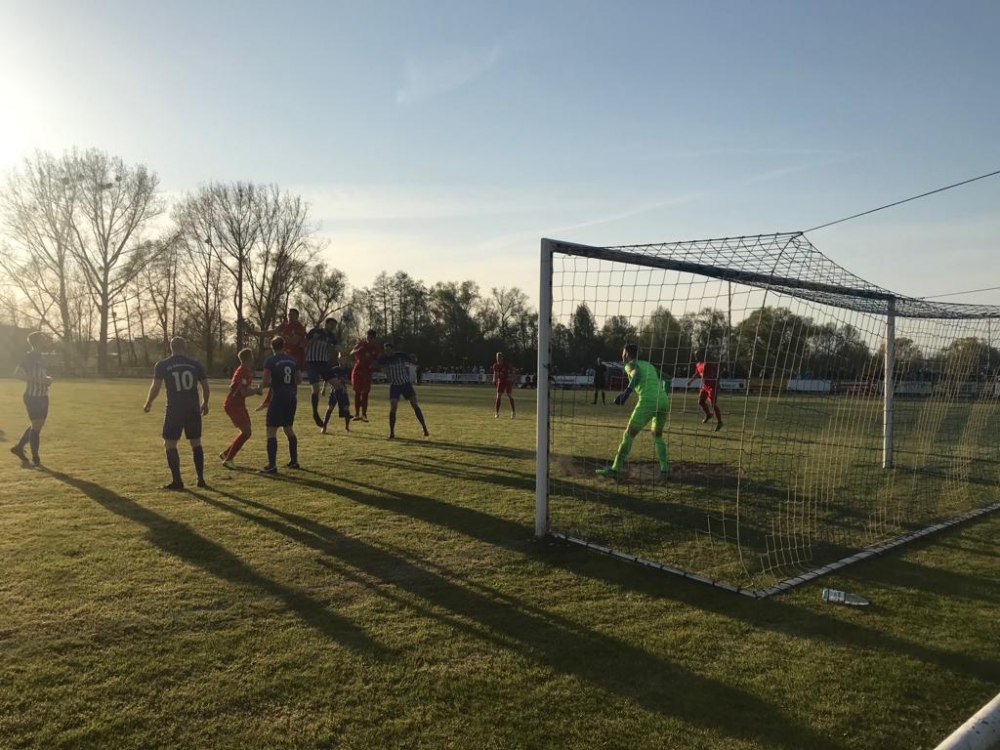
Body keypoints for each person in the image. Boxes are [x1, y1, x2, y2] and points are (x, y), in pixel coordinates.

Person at [143, 337, 210, 490]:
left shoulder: (163, 365)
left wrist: (149, 402)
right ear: (184, 347)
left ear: (171, 347)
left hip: (174, 409)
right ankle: (201, 479)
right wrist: (205, 402)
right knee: (196, 442)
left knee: (170, 443)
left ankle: (177, 481)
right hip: (193, 408)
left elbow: (156, 387)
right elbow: (205, 386)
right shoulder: (195, 364)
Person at [597, 343, 671, 481]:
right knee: (657, 435)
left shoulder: (630, 365)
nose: (622, 355)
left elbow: (636, 375)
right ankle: (665, 469)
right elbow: (667, 378)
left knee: (629, 434)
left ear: (626, 354)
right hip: (663, 401)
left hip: (648, 401)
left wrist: (626, 393)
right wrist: (662, 396)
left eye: (623, 353)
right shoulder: (648, 365)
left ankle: (615, 469)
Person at [260, 336, 301, 474]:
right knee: (288, 428)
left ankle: (272, 465)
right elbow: (299, 380)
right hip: (291, 397)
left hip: (278, 397)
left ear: (272, 347)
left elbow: (266, 382)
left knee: (271, 430)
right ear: (284, 346)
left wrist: (273, 382)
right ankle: (294, 461)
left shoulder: (270, 361)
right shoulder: (293, 360)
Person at [10, 331, 51, 468]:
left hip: (43, 396)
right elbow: (18, 374)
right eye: (44, 339)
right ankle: (35, 458)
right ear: (38, 342)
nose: (47, 341)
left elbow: (40, 375)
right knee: (36, 425)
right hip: (32, 396)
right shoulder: (30, 356)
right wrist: (38, 380)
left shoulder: (42, 357)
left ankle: (18, 448)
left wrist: (47, 379)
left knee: (37, 425)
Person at [219, 348, 262, 469]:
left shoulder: (244, 370)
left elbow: (243, 389)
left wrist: (256, 390)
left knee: (247, 431)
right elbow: (244, 392)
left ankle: (226, 454)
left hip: (238, 404)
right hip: (234, 405)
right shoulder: (243, 371)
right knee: (246, 432)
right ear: (249, 358)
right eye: (252, 356)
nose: (253, 359)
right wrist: (256, 390)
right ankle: (228, 459)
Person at [377, 343, 429, 439]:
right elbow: (375, 364)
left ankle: (424, 427)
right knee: (393, 406)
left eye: (389, 350)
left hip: (405, 383)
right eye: (386, 350)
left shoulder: (400, 355)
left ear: (393, 349)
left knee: (414, 404)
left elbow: (412, 360)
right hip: (394, 385)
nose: (387, 352)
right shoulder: (384, 359)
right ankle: (392, 432)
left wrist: (414, 360)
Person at [304, 317, 341, 427]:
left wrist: (341, 350)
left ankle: (342, 410)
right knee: (316, 389)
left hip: (324, 364)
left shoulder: (332, 337)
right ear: (326, 324)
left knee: (337, 385)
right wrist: (314, 339)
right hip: (312, 363)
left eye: (334, 326)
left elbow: (337, 347)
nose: (333, 327)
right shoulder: (315, 331)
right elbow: (306, 344)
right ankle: (315, 414)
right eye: (331, 325)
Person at [686, 350, 723, 431]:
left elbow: (717, 372)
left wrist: (717, 382)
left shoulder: (708, 364)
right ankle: (708, 414)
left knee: (713, 404)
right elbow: (697, 374)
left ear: (701, 355)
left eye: (697, 355)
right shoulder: (698, 364)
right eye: (695, 355)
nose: (696, 357)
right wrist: (690, 381)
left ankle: (720, 422)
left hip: (712, 386)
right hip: (705, 386)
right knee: (700, 401)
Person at [350, 328, 381, 422]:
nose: (369, 339)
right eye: (367, 337)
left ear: (374, 338)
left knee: (365, 393)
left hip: (367, 372)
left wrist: (374, 364)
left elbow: (378, 359)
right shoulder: (361, 344)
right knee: (357, 393)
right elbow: (351, 353)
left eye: (371, 338)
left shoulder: (376, 348)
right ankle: (356, 414)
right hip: (358, 371)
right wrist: (358, 349)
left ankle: (364, 415)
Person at [321, 352, 354, 434]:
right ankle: (324, 427)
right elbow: (326, 379)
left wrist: (345, 381)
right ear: (338, 359)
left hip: (344, 392)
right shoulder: (334, 369)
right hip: (334, 392)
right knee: (330, 408)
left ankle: (347, 427)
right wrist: (323, 389)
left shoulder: (348, 370)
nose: (343, 359)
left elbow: (352, 382)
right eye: (341, 357)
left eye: (344, 357)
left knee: (346, 408)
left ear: (346, 360)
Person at [492, 351, 516, 419]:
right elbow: (495, 373)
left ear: (502, 358)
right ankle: (497, 413)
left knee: (509, 395)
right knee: (498, 396)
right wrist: (494, 379)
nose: (498, 359)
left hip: (507, 381)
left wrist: (513, 378)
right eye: (497, 357)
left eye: (500, 357)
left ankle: (513, 412)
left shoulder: (507, 365)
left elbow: (513, 371)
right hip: (501, 381)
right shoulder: (495, 365)